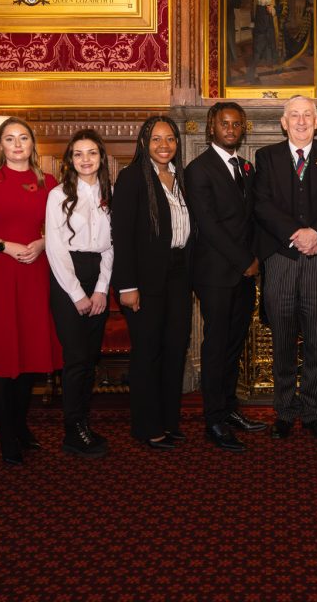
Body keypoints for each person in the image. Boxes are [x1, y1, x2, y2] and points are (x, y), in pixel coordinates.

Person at [0, 117, 61, 465]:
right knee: (1, 354)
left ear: (33, 144)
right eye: (9, 139)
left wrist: (41, 243)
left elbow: (63, 229)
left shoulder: (48, 182)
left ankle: (20, 426)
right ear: (0, 146)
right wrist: (7, 246)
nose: (17, 144)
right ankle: (6, 432)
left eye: (23, 138)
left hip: (36, 271)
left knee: (31, 354)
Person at [254, 95, 317, 441]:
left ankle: (312, 412)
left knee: (316, 338)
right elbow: (261, 204)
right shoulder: (266, 157)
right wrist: (295, 235)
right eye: (293, 115)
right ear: (283, 122)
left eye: (306, 115)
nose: (300, 121)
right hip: (281, 258)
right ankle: (283, 411)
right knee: (281, 338)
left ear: (316, 121)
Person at [185, 102, 267, 453]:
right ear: (211, 128)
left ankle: (230, 408)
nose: (231, 129)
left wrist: (257, 258)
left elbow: (252, 219)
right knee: (216, 348)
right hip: (217, 274)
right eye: (224, 124)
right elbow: (209, 225)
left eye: (236, 124)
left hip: (245, 275)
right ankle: (214, 419)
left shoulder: (245, 167)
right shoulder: (198, 169)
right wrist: (246, 261)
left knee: (234, 345)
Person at [112, 115, 193, 450]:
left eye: (170, 139)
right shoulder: (132, 179)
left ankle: (168, 421)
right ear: (144, 143)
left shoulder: (180, 177)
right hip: (144, 280)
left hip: (179, 275)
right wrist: (127, 285)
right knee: (148, 353)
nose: (164, 145)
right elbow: (122, 236)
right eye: (157, 139)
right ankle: (147, 426)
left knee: (175, 350)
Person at [45, 129, 114, 457]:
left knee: (90, 357)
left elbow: (113, 245)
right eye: (78, 154)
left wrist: (101, 289)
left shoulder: (110, 193)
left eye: (92, 153)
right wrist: (77, 294)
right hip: (66, 280)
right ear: (70, 161)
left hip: (98, 276)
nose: (86, 159)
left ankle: (83, 421)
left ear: (101, 158)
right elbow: (56, 250)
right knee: (75, 358)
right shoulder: (58, 195)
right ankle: (72, 430)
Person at [250, 0, 283, 82]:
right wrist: (252, 21)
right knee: (258, 45)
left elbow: (282, 6)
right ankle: (252, 70)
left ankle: (275, 65)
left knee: (271, 43)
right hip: (259, 22)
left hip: (270, 21)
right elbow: (253, 7)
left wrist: (273, 9)